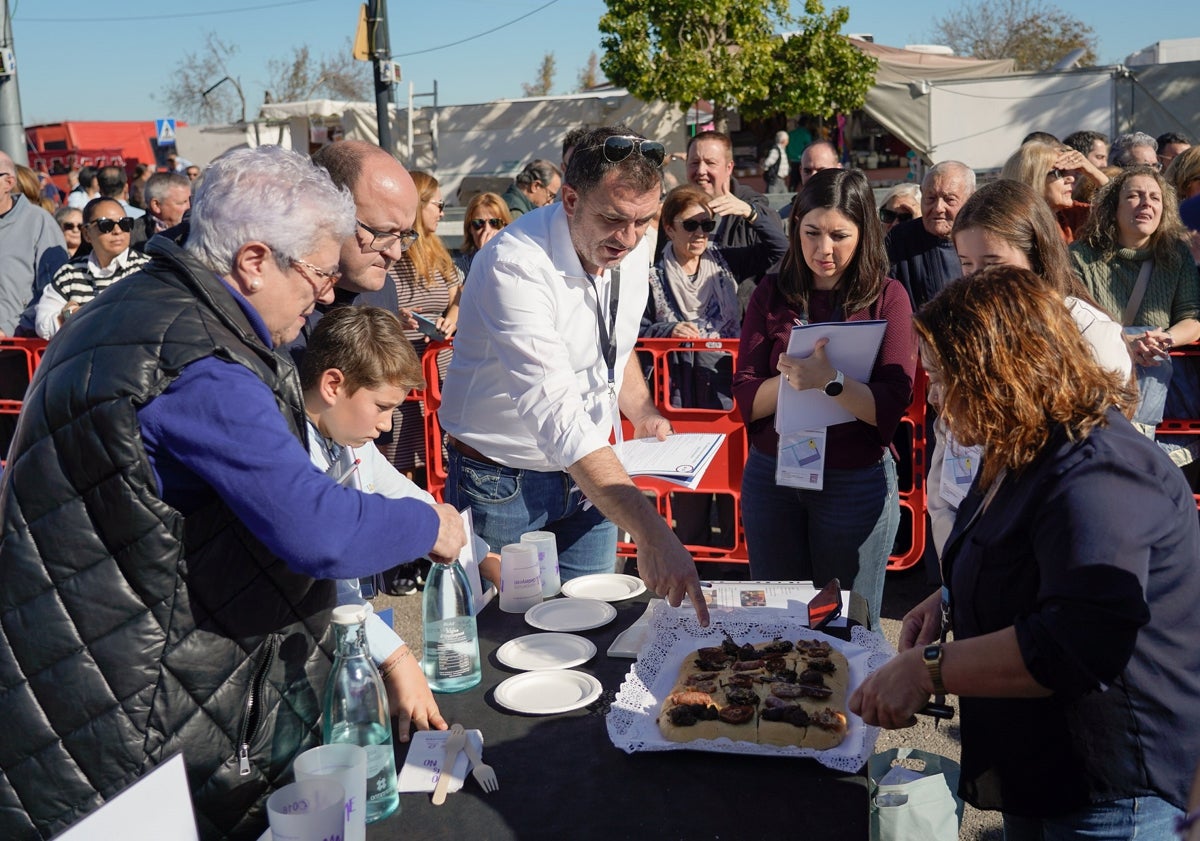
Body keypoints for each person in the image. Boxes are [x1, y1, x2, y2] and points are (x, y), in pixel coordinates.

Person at [0, 145, 467, 839]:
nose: (327, 292)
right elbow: (317, 526)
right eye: (315, 273)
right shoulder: (200, 362)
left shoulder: (151, 306)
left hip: (103, 681)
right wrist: (424, 525)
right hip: (133, 724)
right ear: (253, 261)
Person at [851, 265, 1200, 841]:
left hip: (1111, 790)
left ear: (1001, 372)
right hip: (1043, 768)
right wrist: (949, 596)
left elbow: (1076, 639)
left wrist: (926, 669)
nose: (934, 397)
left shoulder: (1101, 470)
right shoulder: (1026, 443)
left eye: (943, 377)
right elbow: (1027, 552)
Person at [439, 125, 710, 625]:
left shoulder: (632, 240)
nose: (628, 239)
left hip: (591, 479)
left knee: (596, 628)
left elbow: (613, 344)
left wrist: (643, 412)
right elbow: (556, 412)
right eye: (613, 219)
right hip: (505, 482)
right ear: (568, 199)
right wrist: (653, 533)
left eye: (643, 221)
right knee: (513, 651)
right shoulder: (514, 265)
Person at [300, 305, 498, 736]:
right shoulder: (295, 458)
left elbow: (417, 502)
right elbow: (328, 584)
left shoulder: (347, 437)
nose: (388, 427)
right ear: (333, 384)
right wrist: (395, 658)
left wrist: (482, 554)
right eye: (381, 407)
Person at [733, 168, 916, 629]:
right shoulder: (771, 293)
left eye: (839, 235)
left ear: (865, 234)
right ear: (795, 227)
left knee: (847, 625)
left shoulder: (888, 297)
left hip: (854, 482)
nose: (824, 249)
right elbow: (745, 399)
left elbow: (892, 406)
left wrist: (830, 381)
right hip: (773, 477)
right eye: (811, 232)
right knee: (777, 623)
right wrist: (796, 375)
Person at [927, 179, 1132, 556]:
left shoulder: (1088, 331)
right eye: (966, 264)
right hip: (968, 538)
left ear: (1036, 257)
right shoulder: (965, 331)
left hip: (1041, 546)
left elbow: (1102, 457)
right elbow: (946, 454)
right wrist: (952, 565)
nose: (977, 281)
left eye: (993, 264)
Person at [641, 183, 787, 545]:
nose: (700, 234)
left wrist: (750, 212)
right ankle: (693, 577)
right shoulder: (651, 277)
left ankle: (732, 573)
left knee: (733, 493)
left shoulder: (724, 262)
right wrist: (668, 329)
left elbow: (780, 249)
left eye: (707, 225)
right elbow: (636, 331)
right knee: (689, 502)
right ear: (670, 228)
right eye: (691, 225)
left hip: (727, 392)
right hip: (680, 398)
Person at [1070, 165, 1200, 449]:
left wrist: (1162, 339)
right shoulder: (1080, 256)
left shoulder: (1176, 255)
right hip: (1098, 379)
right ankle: (1135, 447)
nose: (1146, 203)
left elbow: (1192, 319)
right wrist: (1127, 341)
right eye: (1135, 196)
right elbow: (1069, 324)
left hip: (1161, 386)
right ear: (1113, 206)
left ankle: (1137, 447)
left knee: (1156, 355)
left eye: (1155, 197)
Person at [358, 170, 461, 482]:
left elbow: (459, 297)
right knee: (401, 462)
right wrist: (395, 317)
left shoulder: (440, 253)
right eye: (437, 205)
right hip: (402, 371)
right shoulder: (392, 252)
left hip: (440, 372)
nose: (442, 212)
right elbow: (371, 306)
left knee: (442, 459)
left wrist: (450, 320)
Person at [683, 130, 785, 310]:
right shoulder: (677, 210)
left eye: (710, 163)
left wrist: (751, 213)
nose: (701, 171)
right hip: (687, 321)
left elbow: (782, 249)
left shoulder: (751, 207)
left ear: (729, 167)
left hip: (738, 322)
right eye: (694, 163)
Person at [34, 197, 152, 338]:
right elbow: (43, 326)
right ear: (87, 233)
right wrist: (67, 315)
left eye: (125, 223)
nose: (117, 230)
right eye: (106, 224)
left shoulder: (148, 269)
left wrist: (84, 316)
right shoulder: (69, 273)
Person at [885, 160, 975, 309]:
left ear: (970, 199)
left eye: (949, 199)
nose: (938, 208)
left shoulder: (984, 240)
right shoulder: (899, 240)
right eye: (930, 198)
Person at [0, 150, 68, 338]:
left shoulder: (38, 222)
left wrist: (6, 328)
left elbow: (55, 294)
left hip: (18, 350)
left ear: (9, 182)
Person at [1000, 141, 1108, 242]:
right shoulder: (1010, 227)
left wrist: (1094, 172)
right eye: (1060, 173)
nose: (1071, 179)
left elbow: (1119, 212)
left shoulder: (1070, 214)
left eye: (1072, 173)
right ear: (1032, 178)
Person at [453, 191, 511, 277]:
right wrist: (483, 257)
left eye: (495, 222)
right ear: (470, 229)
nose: (486, 230)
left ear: (505, 226)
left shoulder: (514, 263)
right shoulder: (457, 269)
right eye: (478, 223)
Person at [130, 171, 192, 249]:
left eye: (190, 200)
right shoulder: (130, 237)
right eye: (181, 203)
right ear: (156, 205)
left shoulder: (194, 233)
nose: (189, 207)